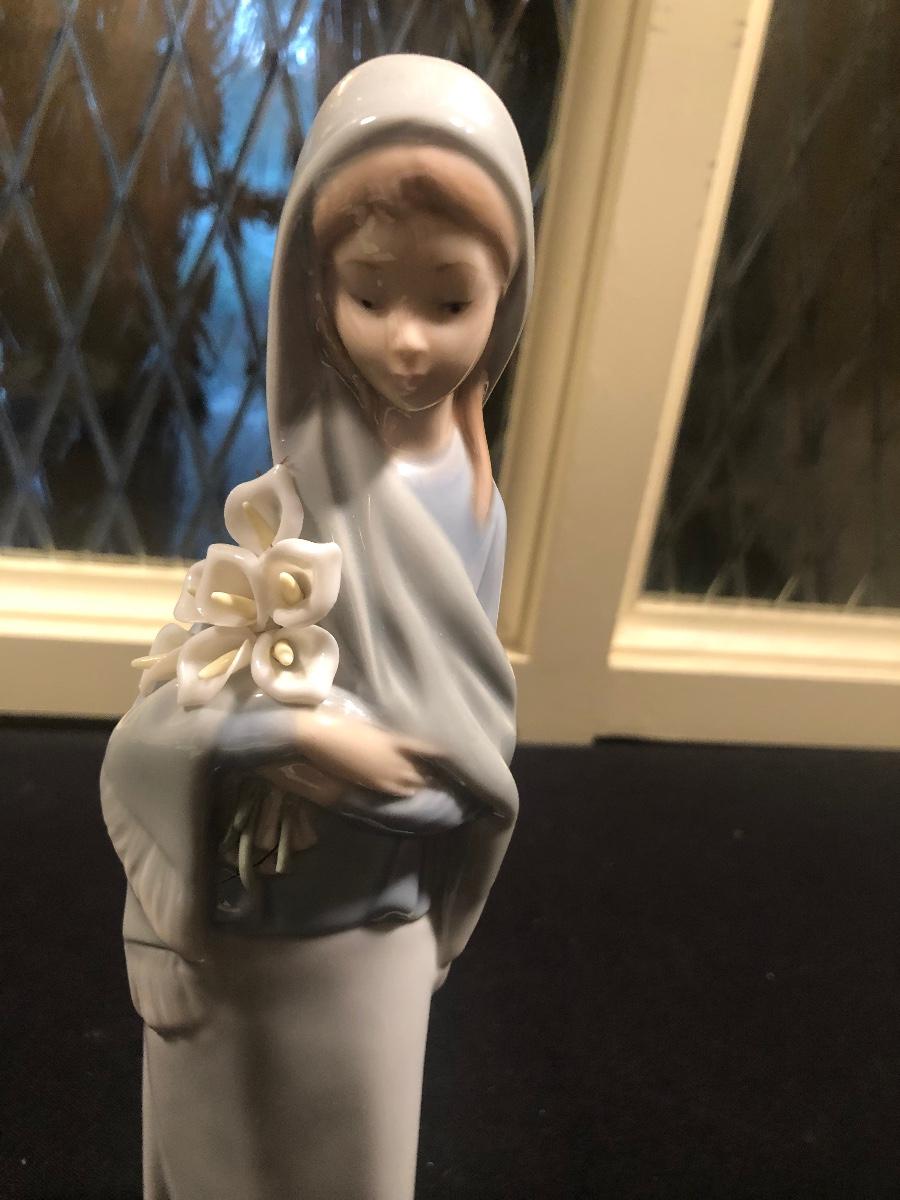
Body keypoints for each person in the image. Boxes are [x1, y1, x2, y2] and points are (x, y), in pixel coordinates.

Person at [100, 53, 534, 1199]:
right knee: (232, 1154)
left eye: (449, 301)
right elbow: (185, 697)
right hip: (263, 913)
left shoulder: (480, 507)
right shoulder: (293, 497)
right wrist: (295, 732)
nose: (407, 339)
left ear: (507, 297)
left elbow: (466, 715)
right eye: (370, 294)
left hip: (379, 913)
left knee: (356, 1160)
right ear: (315, 288)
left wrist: (429, 781)